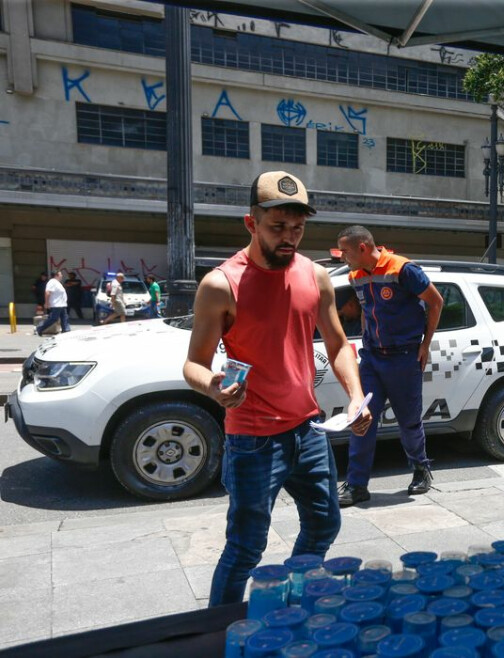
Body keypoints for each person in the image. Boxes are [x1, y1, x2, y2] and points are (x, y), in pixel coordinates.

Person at [183, 170, 372, 606]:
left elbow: (340, 343)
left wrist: (356, 396)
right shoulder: (221, 284)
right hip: (251, 438)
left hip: (307, 430)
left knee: (325, 524)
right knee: (247, 546)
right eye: (278, 228)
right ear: (251, 223)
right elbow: (193, 364)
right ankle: (220, 631)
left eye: (298, 228)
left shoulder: (315, 275)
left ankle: (288, 599)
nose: (290, 238)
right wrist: (213, 385)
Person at [335, 225, 443, 507]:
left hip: (404, 357)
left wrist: (425, 344)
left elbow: (436, 302)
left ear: (362, 248)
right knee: (361, 419)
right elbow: (366, 311)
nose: (342, 256)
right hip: (372, 358)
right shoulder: (355, 275)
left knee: (409, 421)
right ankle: (357, 485)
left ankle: (420, 469)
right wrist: (363, 343)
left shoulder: (403, 269)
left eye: (345, 251)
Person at [35, 270, 70, 336]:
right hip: (56, 305)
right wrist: (47, 303)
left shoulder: (57, 282)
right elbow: (47, 293)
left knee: (64, 318)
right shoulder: (52, 282)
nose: (61, 275)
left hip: (62, 304)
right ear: (56, 275)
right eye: (60, 274)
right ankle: (40, 328)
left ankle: (66, 330)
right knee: (53, 319)